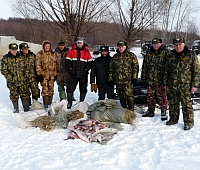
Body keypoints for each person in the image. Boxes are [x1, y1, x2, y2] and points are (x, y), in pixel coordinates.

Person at [164, 37, 200, 130]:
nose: (178, 46)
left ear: (184, 44)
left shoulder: (191, 55)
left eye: (180, 44)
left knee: (186, 104)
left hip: (186, 85)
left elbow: (196, 71)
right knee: (173, 103)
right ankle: (173, 119)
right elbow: (166, 71)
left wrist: (195, 84)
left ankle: (188, 122)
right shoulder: (170, 55)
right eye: (176, 45)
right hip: (173, 84)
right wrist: (165, 83)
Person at [141, 38, 168, 120]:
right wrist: (143, 77)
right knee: (150, 96)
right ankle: (150, 111)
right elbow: (144, 66)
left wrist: (166, 81)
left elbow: (168, 68)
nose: (156, 45)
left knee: (162, 97)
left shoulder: (166, 53)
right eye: (154, 44)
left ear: (161, 44)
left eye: (157, 44)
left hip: (161, 80)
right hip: (150, 79)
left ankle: (163, 112)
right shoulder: (149, 53)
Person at [108, 40, 139, 111]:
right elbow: (111, 69)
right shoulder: (115, 57)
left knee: (129, 95)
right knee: (120, 95)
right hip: (118, 80)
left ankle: (131, 110)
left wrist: (134, 77)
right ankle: (123, 109)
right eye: (119, 47)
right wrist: (110, 78)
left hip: (128, 80)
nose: (121, 48)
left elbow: (135, 67)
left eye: (122, 47)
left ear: (125, 47)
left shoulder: (131, 56)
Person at [1, 43, 30, 112]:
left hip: (22, 81)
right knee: (14, 95)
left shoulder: (21, 57)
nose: (14, 51)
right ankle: (16, 109)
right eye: (12, 49)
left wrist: (25, 76)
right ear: (10, 50)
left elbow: (26, 67)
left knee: (24, 94)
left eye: (15, 49)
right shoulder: (6, 58)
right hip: (12, 82)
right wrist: (11, 78)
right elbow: (3, 70)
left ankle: (26, 109)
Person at [65, 37, 92, 109]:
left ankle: (81, 102)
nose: (79, 44)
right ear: (76, 43)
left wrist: (86, 69)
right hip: (73, 74)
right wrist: (70, 69)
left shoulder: (87, 52)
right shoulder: (71, 51)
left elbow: (90, 63)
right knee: (70, 88)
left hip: (83, 74)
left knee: (83, 89)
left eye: (81, 43)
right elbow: (67, 61)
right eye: (78, 43)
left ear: (83, 43)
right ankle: (69, 102)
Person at [35, 40, 57, 110]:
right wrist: (39, 74)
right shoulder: (40, 54)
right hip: (44, 75)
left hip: (52, 75)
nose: (47, 47)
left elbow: (55, 64)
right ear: (43, 47)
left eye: (48, 46)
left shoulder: (53, 54)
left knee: (51, 90)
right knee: (45, 90)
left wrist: (55, 74)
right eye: (46, 46)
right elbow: (37, 65)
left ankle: (50, 104)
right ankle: (46, 104)